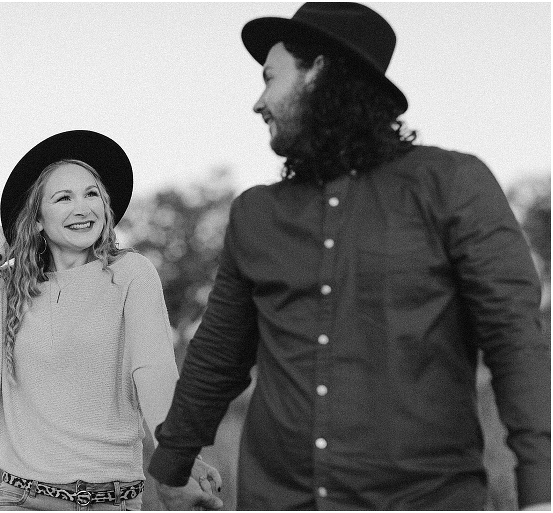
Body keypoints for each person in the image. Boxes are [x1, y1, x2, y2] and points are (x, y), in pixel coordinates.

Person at [147, 3, 550, 510]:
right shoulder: (256, 213)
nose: (258, 102)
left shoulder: (452, 183)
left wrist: (541, 493)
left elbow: (514, 337)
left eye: (270, 78)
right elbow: (218, 355)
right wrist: (171, 465)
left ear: (319, 70)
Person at [0, 130, 221, 511]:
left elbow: (152, 369)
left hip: (112, 500)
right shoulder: (8, 290)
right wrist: (20, 225)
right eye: (63, 198)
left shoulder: (130, 273)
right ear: (37, 217)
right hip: (23, 500)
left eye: (91, 194)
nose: (83, 208)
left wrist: (176, 458)